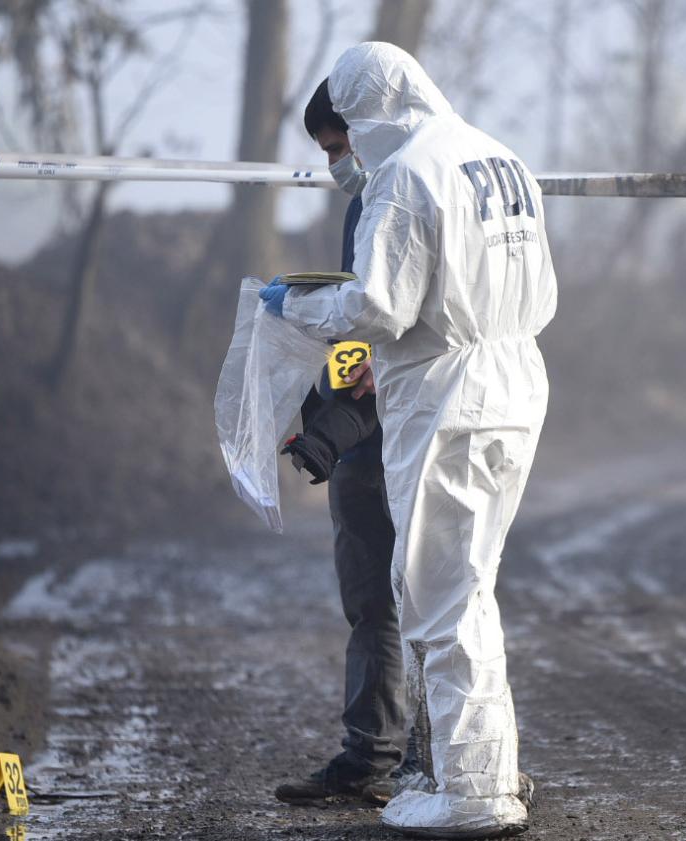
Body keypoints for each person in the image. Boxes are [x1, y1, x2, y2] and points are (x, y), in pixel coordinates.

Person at [262, 42, 556, 839]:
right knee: (468, 591)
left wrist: (293, 307)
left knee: (440, 602)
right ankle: (482, 773)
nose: (346, 153)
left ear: (363, 111)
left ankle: (471, 793)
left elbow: (379, 310)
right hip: (512, 382)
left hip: (445, 394)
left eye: (345, 131)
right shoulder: (497, 157)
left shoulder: (404, 174)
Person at [269, 80, 410, 807]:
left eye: (335, 147)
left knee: (385, 603)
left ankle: (377, 760)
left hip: (387, 437)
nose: (334, 164)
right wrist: (320, 396)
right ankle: (425, 761)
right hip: (412, 423)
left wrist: (335, 408)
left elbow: (370, 322)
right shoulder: (400, 192)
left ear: (364, 127)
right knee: (430, 602)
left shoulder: (390, 197)